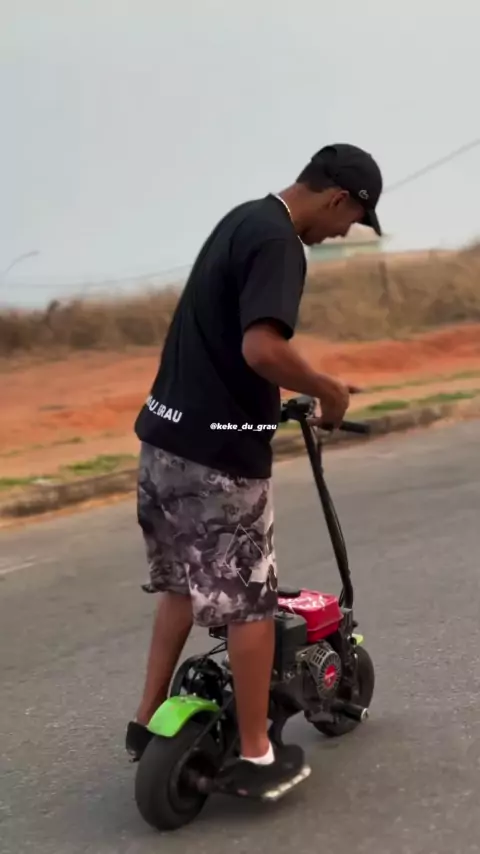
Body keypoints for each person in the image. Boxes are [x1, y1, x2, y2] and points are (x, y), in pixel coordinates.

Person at [126, 142, 383, 799]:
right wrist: (327, 390)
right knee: (250, 604)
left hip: (163, 443)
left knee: (180, 588)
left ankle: (146, 722)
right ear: (338, 198)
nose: (344, 233)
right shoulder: (280, 243)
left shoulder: (242, 218)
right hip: (218, 460)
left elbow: (223, 343)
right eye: (352, 220)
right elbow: (261, 347)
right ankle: (256, 752)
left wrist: (272, 400)